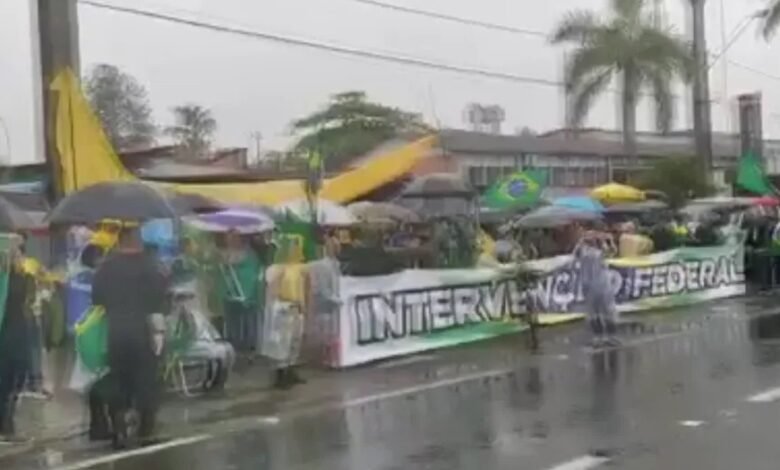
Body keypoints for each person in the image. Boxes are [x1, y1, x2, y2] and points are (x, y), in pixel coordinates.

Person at [92, 224, 168, 448]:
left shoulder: (106, 267)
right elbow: (159, 298)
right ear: (136, 240)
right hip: (143, 331)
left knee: (118, 379)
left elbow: (96, 298)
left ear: (120, 241)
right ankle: (146, 426)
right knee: (146, 378)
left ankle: (118, 425)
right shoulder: (150, 266)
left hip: (116, 331)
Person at [0, 236, 34, 442]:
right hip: (11, 334)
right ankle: (6, 423)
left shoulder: (18, 277)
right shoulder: (14, 279)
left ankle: (7, 422)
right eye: (19, 250)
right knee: (9, 379)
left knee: (11, 378)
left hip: (14, 332)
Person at [575, 232, 619, 348]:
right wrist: (582, 241)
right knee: (593, 314)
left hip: (603, 285)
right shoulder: (583, 250)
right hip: (589, 286)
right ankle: (598, 338)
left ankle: (611, 336)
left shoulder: (601, 251)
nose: (591, 240)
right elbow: (575, 254)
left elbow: (613, 251)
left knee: (607, 311)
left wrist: (608, 240)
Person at [219, 231, 261, 353]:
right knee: (232, 320)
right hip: (229, 294)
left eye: (233, 237)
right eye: (228, 237)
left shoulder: (250, 254)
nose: (230, 240)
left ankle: (249, 347)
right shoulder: (225, 254)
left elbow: (252, 273)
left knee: (248, 320)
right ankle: (234, 344)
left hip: (246, 294)